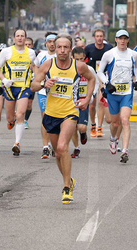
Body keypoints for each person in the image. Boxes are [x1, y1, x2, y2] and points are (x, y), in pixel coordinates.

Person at [31, 34, 95, 204]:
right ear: (55, 48)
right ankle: (69, 179)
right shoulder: (48, 65)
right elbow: (33, 85)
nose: (62, 50)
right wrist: (44, 84)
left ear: (70, 49)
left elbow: (91, 79)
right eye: (59, 47)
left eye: (65, 47)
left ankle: (66, 187)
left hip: (70, 112)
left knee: (62, 146)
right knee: (58, 153)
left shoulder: (78, 66)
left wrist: (87, 99)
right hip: (51, 113)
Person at [97, 30, 137, 163]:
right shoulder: (109, 54)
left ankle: (125, 150)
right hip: (113, 93)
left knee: (125, 120)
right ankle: (113, 138)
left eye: (125, 39)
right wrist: (106, 83)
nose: (122, 41)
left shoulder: (134, 54)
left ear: (128, 40)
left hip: (127, 92)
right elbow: (100, 71)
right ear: (115, 40)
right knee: (114, 122)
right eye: (120, 38)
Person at [0, 29, 37, 156]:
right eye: (17, 36)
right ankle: (11, 120)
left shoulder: (31, 53)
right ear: (14, 38)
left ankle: (17, 143)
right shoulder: (6, 51)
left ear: (25, 38)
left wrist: (34, 75)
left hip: (24, 88)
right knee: (9, 118)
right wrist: (4, 79)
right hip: (9, 88)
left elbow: (35, 66)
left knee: (20, 114)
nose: (20, 38)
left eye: (22, 36)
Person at [70, 46, 99, 158]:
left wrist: (91, 96)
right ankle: (76, 148)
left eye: (81, 59)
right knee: (72, 127)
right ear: (72, 58)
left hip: (84, 101)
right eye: (77, 59)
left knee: (81, 127)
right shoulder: (69, 70)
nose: (79, 62)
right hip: (71, 102)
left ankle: (83, 133)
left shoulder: (89, 69)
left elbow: (95, 82)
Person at [84, 29, 113, 138]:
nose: (99, 38)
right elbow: (83, 62)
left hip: (104, 77)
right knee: (92, 104)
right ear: (94, 37)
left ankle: (99, 127)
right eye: (97, 36)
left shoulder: (109, 48)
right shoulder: (89, 48)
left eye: (101, 36)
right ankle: (93, 125)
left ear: (103, 37)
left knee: (101, 102)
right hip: (92, 78)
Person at [33, 32, 58, 159]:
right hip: (43, 91)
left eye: (54, 42)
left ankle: (55, 145)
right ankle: (45, 147)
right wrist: (40, 80)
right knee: (45, 117)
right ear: (46, 43)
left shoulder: (61, 55)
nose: (52, 44)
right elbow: (35, 66)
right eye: (50, 42)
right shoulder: (41, 55)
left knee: (57, 118)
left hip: (58, 91)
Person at [24, 37, 35, 129]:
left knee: (29, 104)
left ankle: (25, 120)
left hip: (31, 82)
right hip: (21, 82)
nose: (28, 46)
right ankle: (19, 115)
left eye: (29, 45)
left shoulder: (35, 56)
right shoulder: (19, 55)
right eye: (26, 44)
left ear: (32, 45)